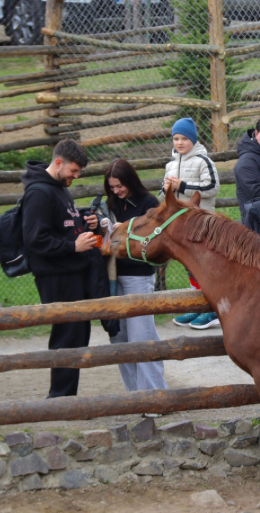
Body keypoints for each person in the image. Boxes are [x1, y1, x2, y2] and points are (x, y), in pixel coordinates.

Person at [21, 139, 102, 398]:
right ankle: (59, 398)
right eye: (73, 171)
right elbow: (34, 239)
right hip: (56, 275)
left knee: (77, 336)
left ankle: (66, 396)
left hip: (71, 272)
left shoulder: (57, 187)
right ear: (58, 162)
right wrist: (72, 246)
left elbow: (62, 223)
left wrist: (83, 220)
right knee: (66, 337)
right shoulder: (39, 193)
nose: (75, 177)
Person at [104, 158, 168, 393]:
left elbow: (154, 243)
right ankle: (134, 395)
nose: (116, 191)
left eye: (120, 186)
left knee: (142, 337)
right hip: (113, 275)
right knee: (118, 338)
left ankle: (155, 395)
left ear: (130, 180)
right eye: (112, 187)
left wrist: (125, 231)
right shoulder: (110, 204)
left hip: (138, 276)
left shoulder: (148, 203)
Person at [162, 117, 221, 330]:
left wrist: (183, 185)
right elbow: (164, 196)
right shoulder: (170, 165)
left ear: (193, 140)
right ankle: (197, 306)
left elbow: (212, 188)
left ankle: (212, 310)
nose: (179, 143)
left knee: (204, 266)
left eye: (184, 138)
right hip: (180, 225)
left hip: (201, 222)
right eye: (176, 138)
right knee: (189, 265)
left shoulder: (202, 161)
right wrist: (167, 189)